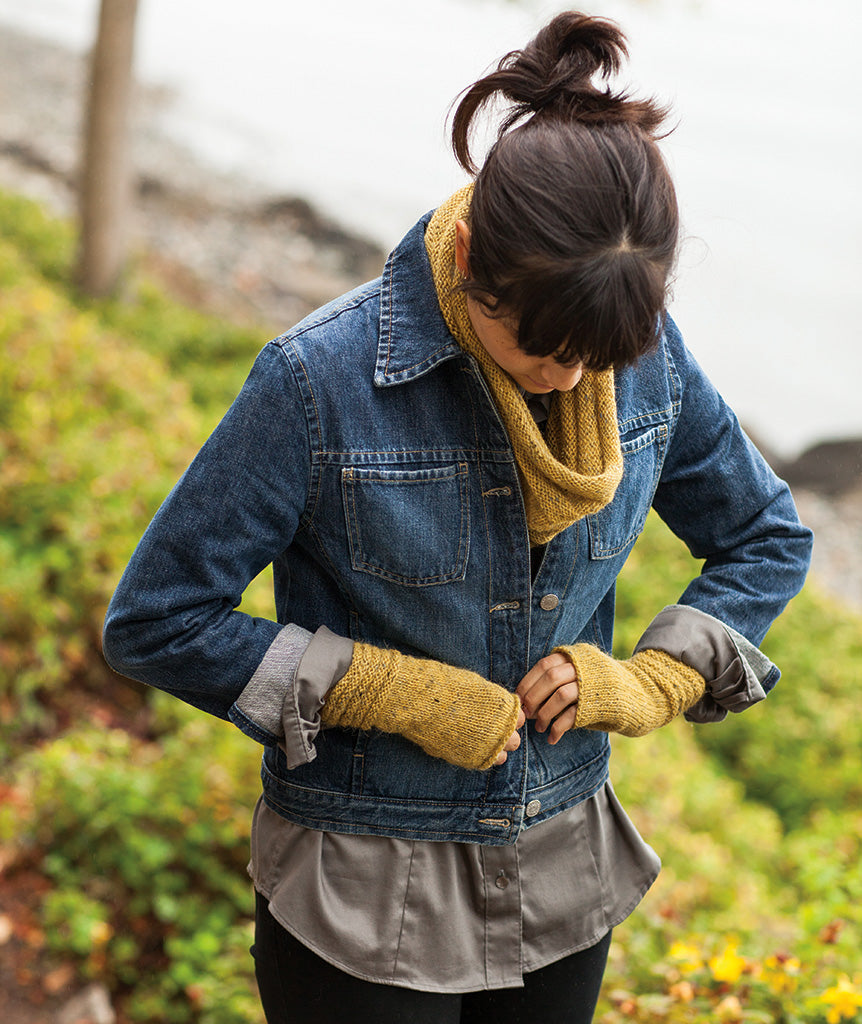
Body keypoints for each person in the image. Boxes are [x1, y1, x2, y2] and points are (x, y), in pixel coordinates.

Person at [102, 11, 812, 1024]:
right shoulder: (317, 381)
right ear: (475, 252)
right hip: (359, 884)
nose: (568, 375)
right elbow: (159, 620)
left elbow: (767, 536)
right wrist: (380, 687)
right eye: (541, 346)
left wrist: (654, 680)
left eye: (594, 356)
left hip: (561, 870)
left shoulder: (641, 351)